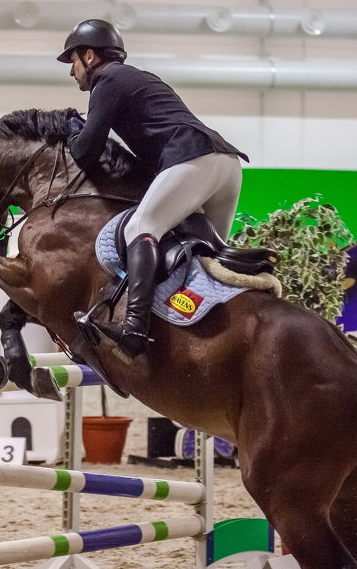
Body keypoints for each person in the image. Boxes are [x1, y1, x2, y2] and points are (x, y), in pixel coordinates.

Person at [58, 18, 249, 358]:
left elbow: (86, 151)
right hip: (227, 165)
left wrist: (73, 129)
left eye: (72, 61)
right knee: (209, 258)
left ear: (89, 56)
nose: (71, 72)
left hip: (195, 160)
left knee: (140, 227)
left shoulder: (108, 80)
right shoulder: (137, 78)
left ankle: (134, 328)